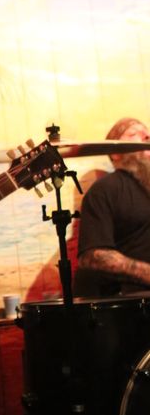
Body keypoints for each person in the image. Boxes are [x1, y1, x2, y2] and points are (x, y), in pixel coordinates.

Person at [75, 117, 150, 297]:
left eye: (147, 133)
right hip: (132, 297)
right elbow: (93, 256)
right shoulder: (104, 190)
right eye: (133, 134)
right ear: (115, 152)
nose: (147, 136)